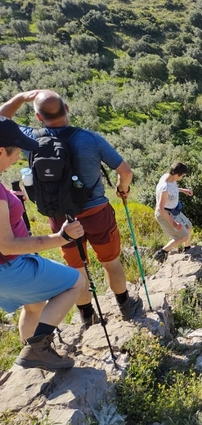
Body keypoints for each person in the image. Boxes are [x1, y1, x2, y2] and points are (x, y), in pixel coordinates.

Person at [0, 90, 142, 326]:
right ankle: (125, 306)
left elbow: (2, 122)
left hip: (61, 218)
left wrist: (19, 99)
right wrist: (122, 188)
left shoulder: (29, 138)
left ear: (37, 117)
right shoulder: (91, 139)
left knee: (77, 268)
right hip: (97, 213)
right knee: (110, 261)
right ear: (67, 108)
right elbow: (125, 171)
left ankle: (87, 315)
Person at [0, 116, 86, 370]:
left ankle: (33, 356)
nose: (18, 158)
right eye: (15, 152)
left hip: (7, 269)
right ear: (1, 150)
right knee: (76, 282)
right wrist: (62, 238)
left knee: (35, 303)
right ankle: (37, 350)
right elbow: (6, 245)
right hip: (9, 266)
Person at [153, 161, 194, 263]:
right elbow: (160, 208)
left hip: (173, 211)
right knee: (183, 236)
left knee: (188, 226)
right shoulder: (165, 188)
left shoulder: (168, 177)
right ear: (177, 174)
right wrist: (174, 223)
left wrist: (183, 190)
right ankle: (162, 252)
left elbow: (173, 188)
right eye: (183, 176)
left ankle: (187, 248)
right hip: (165, 214)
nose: (182, 178)